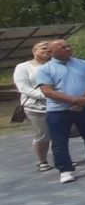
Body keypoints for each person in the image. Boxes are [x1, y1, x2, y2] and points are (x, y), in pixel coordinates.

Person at [36, 39, 85, 183]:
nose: (67, 48)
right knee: (59, 141)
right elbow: (47, 91)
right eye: (62, 47)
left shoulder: (84, 64)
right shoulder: (44, 69)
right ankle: (65, 170)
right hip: (58, 110)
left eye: (68, 46)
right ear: (51, 52)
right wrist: (74, 100)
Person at [14, 40, 54, 171]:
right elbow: (23, 87)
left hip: (56, 104)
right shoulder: (23, 67)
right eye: (43, 48)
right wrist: (44, 95)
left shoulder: (55, 65)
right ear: (34, 51)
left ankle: (62, 158)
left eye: (49, 48)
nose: (46, 50)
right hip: (35, 107)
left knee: (59, 134)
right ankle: (42, 161)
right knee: (42, 135)